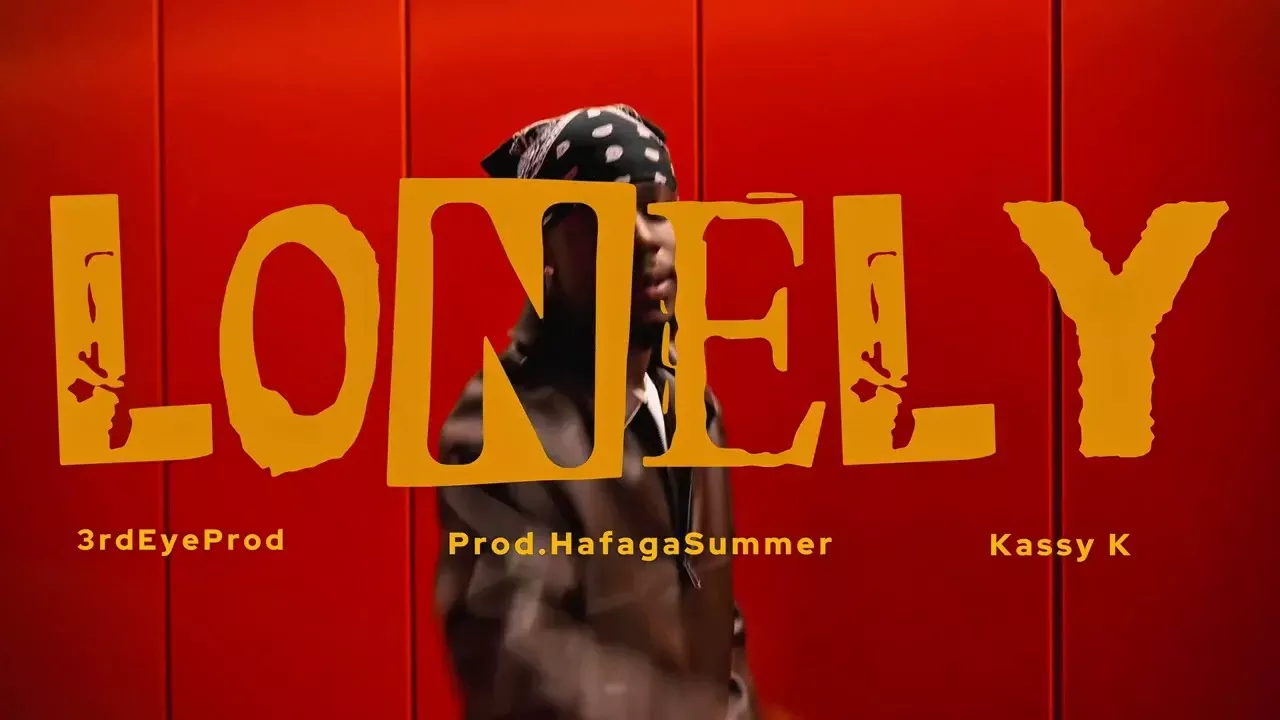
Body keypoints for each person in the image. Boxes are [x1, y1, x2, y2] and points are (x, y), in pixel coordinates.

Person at [434, 104, 758, 719]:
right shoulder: (501, 426)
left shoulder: (692, 411)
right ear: (545, 255)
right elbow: (520, 662)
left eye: (658, 211)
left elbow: (717, 624)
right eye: (606, 218)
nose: (645, 238)